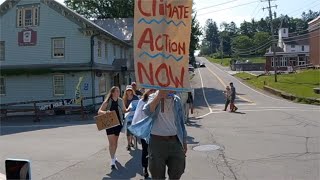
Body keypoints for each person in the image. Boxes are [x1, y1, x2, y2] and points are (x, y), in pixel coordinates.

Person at [143, 90, 187, 180]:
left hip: (175, 141)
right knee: (157, 175)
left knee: (178, 171)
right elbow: (147, 112)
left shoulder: (176, 99)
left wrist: (184, 141)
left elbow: (181, 122)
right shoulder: (153, 96)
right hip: (157, 142)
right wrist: (159, 96)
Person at [98, 86, 126, 170]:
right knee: (111, 142)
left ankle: (114, 155)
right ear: (112, 92)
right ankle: (112, 159)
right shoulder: (107, 101)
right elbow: (99, 111)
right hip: (109, 124)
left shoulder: (120, 100)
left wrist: (130, 109)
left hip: (118, 123)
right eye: (116, 91)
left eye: (118, 91)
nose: (118, 93)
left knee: (115, 142)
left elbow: (124, 110)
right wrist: (106, 112)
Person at [131, 89, 156, 178]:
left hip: (155, 130)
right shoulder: (142, 101)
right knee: (145, 149)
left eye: (154, 90)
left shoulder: (157, 100)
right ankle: (145, 168)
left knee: (154, 151)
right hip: (145, 129)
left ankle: (154, 169)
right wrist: (136, 129)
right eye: (151, 90)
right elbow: (137, 115)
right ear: (147, 91)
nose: (153, 92)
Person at [122, 85, 139, 151]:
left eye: (130, 90)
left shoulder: (135, 98)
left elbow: (138, 106)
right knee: (128, 130)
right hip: (127, 116)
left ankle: (131, 142)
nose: (129, 92)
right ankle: (129, 144)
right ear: (126, 91)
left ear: (132, 91)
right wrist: (126, 110)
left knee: (132, 130)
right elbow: (123, 108)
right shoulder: (124, 98)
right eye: (128, 91)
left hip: (134, 116)